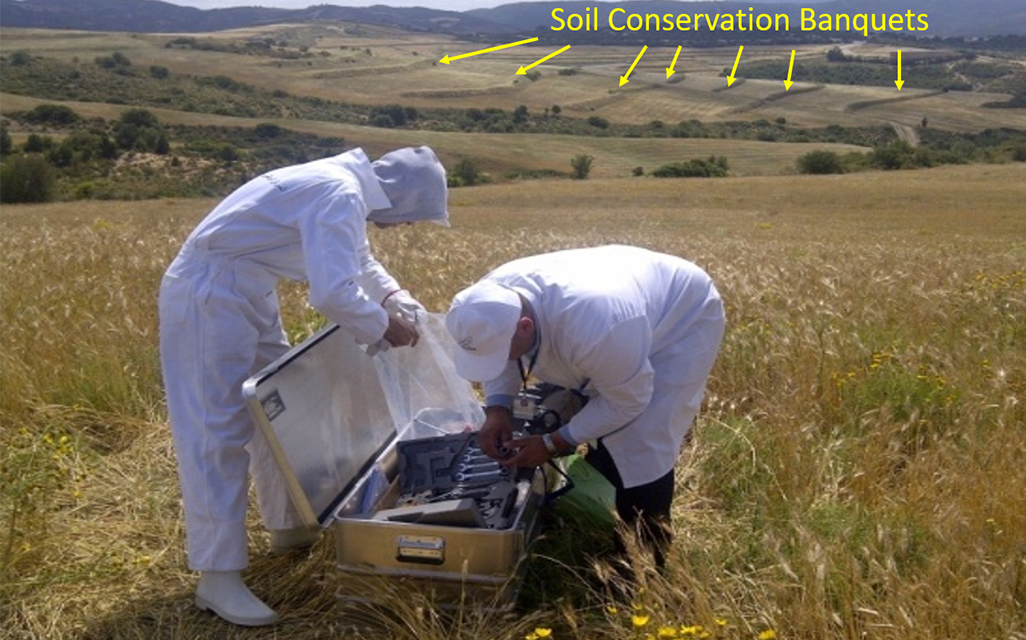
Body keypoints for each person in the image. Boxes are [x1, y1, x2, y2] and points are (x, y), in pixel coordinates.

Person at [158, 146, 448, 626]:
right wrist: (382, 327)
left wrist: (396, 298)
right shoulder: (338, 191)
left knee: (277, 414)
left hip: (246, 289)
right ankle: (218, 576)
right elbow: (333, 291)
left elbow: (357, 262)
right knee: (215, 433)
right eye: (414, 217)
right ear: (399, 198)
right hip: (207, 295)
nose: (408, 227)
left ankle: (288, 526)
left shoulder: (344, 189)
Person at [444, 244, 725, 571]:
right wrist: (497, 411)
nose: (498, 360)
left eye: (501, 351)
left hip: (680, 317)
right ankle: (607, 484)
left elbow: (629, 400)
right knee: (600, 402)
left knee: (644, 437)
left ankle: (643, 560)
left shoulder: (598, 325)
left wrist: (552, 443)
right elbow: (498, 359)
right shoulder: (483, 303)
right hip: (618, 314)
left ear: (524, 326)